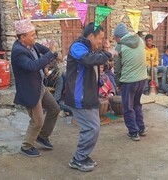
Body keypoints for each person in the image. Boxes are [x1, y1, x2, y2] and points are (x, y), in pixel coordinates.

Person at [64, 22, 112, 172]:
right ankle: (78, 159)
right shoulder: (77, 47)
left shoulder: (90, 49)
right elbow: (88, 60)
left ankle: (83, 156)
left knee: (93, 128)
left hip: (89, 95)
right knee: (92, 128)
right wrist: (108, 54)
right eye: (100, 38)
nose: (102, 42)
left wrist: (106, 56)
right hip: (79, 96)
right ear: (91, 36)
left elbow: (97, 63)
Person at [11, 19, 60, 157]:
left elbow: (45, 51)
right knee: (37, 120)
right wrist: (51, 54)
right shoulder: (18, 51)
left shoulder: (31, 45)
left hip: (39, 85)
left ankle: (42, 136)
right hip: (30, 90)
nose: (35, 37)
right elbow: (32, 66)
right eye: (32, 35)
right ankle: (26, 146)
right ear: (22, 37)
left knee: (54, 109)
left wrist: (55, 54)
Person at [113, 23, 147, 141]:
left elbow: (117, 69)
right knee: (137, 104)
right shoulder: (140, 40)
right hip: (142, 79)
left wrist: (118, 84)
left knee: (128, 107)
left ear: (118, 37)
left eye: (115, 38)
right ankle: (141, 129)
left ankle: (133, 132)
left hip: (129, 81)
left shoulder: (120, 47)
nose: (115, 40)